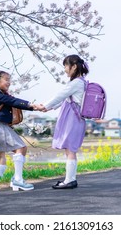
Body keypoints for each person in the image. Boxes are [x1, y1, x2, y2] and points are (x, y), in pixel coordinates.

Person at [0, 69, 42, 191]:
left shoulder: (0, 94)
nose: (9, 82)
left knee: (21, 148)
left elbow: (13, 101)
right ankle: (17, 180)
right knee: (20, 147)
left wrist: (32, 107)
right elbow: (13, 102)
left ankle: (17, 179)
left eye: (10, 80)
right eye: (7, 80)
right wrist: (31, 104)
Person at [40, 54, 89, 189]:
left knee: (70, 149)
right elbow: (65, 99)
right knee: (69, 149)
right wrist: (48, 108)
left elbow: (60, 95)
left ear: (73, 66)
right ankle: (70, 179)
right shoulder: (82, 82)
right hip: (75, 118)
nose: (65, 69)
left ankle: (69, 181)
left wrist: (45, 105)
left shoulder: (76, 83)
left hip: (72, 118)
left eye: (66, 66)